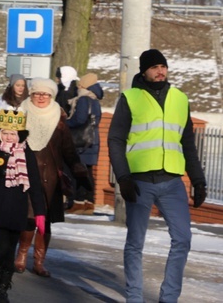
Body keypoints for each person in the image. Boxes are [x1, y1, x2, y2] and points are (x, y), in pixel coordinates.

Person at [108, 49, 206, 303]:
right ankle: (134, 297)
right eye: (154, 67)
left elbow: (188, 144)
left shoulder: (180, 99)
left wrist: (198, 180)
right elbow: (116, 140)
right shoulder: (130, 98)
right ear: (144, 71)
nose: (160, 71)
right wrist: (123, 178)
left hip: (172, 182)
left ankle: (169, 298)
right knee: (135, 242)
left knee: (183, 239)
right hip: (139, 182)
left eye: (163, 66)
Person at [14, 78, 90, 277]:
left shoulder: (59, 120)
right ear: (31, 95)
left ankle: (39, 262)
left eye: (46, 94)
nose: (41, 97)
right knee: (28, 218)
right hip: (25, 174)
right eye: (37, 93)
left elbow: (69, 151)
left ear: (52, 96)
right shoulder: (19, 114)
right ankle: (21, 256)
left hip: (50, 178)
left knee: (44, 221)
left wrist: (78, 171)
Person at [0, 109, 46, 302]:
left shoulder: (27, 155)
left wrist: (40, 213)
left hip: (17, 210)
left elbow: (35, 186)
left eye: (12, 133)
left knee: (10, 252)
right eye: (5, 132)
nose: (8, 136)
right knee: (2, 246)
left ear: (19, 135)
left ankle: (3, 287)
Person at [65, 72, 103, 214]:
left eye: (80, 84)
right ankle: (89, 202)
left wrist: (66, 123)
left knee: (78, 172)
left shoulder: (83, 99)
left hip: (81, 141)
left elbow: (79, 120)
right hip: (92, 140)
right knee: (87, 172)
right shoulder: (95, 100)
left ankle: (79, 203)